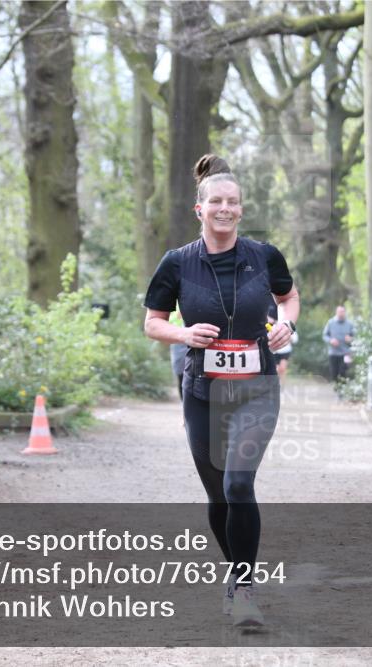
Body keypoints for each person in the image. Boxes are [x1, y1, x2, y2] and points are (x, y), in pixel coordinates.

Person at [143, 154, 299, 628]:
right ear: (200, 209)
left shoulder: (264, 256)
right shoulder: (177, 264)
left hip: (256, 388)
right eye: (216, 201)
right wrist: (183, 335)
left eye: (232, 202)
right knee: (217, 494)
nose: (224, 208)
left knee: (237, 483)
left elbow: (287, 297)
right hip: (203, 392)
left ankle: (245, 590)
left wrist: (286, 325)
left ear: (241, 209)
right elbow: (152, 323)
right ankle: (237, 574)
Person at [322, 304, 355, 382]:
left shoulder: (350, 324)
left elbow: (356, 337)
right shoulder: (330, 322)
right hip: (333, 353)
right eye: (339, 311)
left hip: (346, 353)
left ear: (345, 312)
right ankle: (337, 389)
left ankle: (342, 391)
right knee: (334, 373)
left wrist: (350, 339)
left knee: (343, 373)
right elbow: (325, 335)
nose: (341, 313)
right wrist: (331, 340)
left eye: (342, 311)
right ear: (336, 312)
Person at [268, 301, 297, 384]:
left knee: (282, 368)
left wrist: (288, 336)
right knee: (276, 369)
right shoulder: (273, 323)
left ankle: (282, 385)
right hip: (276, 349)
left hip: (286, 349)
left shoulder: (288, 322)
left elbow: (295, 338)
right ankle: (277, 385)